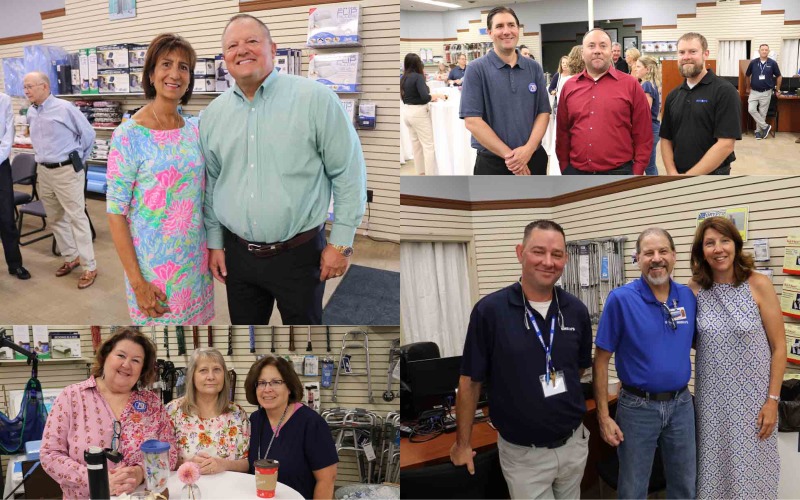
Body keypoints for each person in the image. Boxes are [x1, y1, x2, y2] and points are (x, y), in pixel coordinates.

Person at [201, 14, 367, 325]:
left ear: (273, 48)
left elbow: (348, 172)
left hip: (300, 256)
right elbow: (211, 183)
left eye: (252, 41)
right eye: (232, 45)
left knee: (306, 340)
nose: (242, 50)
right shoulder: (213, 115)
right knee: (247, 338)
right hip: (238, 256)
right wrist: (215, 242)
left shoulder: (315, 99)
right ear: (225, 58)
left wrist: (341, 242)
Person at [450, 220, 593, 498]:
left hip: (574, 445)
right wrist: (462, 444)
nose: (548, 262)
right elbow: (470, 382)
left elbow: (579, 369)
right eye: (538, 251)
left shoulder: (575, 310)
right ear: (520, 253)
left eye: (557, 254)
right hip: (524, 456)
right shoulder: (490, 311)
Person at [107, 33, 214, 325]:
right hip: (154, 267)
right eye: (166, 64)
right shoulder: (129, 135)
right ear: (151, 74)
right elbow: (116, 213)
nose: (175, 73)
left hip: (195, 260)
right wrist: (138, 282)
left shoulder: (194, 129)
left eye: (184, 67)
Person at [593, 228, 697, 499]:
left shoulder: (687, 297)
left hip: (682, 405)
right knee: (632, 489)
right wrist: (603, 417)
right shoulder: (621, 299)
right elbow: (601, 362)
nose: (656, 258)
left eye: (663, 251)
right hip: (637, 408)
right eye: (648, 252)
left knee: (685, 485)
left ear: (674, 256)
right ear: (636, 258)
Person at [689, 217, 786, 499]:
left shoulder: (759, 284)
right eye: (710, 243)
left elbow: (779, 348)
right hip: (711, 405)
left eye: (725, 240)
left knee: (753, 479)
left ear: (736, 245)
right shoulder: (693, 290)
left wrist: (773, 401)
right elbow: (687, 340)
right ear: (701, 250)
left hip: (754, 405)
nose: (718, 249)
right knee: (713, 477)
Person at [40, 328, 178, 498]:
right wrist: (95, 478)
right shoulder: (71, 397)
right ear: (105, 356)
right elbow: (50, 454)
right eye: (120, 355)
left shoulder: (152, 403)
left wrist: (141, 472)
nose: (126, 365)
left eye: (136, 360)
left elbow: (170, 453)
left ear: (142, 369)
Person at [23, 71, 97, 288]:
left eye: (30, 86)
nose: (26, 91)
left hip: (66, 170)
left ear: (44, 87)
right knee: (55, 217)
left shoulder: (64, 108)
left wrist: (76, 162)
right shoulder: (31, 111)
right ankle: (71, 256)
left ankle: (89, 266)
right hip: (44, 171)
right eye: (25, 87)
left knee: (77, 218)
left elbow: (88, 135)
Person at [460, 6, 550, 175]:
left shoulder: (534, 68)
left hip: (533, 158)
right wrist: (513, 159)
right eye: (499, 26)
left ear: (518, 29)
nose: (506, 31)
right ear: (489, 32)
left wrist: (528, 150)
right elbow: (472, 121)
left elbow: (543, 112)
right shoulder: (476, 69)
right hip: (493, 164)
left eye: (511, 25)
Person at [556, 29, 652, 175]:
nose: (597, 51)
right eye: (591, 46)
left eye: (603, 46)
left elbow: (643, 133)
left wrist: (637, 172)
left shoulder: (631, 85)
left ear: (611, 52)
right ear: (582, 53)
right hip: (577, 173)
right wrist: (565, 168)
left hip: (620, 173)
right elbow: (562, 133)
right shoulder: (569, 87)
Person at [246, 356, 338, 499]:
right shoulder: (255, 420)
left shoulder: (312, 423)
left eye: (276, 382)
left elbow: (327, 479)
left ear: (289, 387)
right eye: (261, 383)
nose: (267, 389)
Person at [660, 32, 741, 175]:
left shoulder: (725, 91)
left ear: (705, 54)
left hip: (714, 175)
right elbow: (666, 138)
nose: (686, 57)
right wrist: (672, 173)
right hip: (678, 174)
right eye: (681, 52)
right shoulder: (673, 95)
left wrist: (689, 177)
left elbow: (726, 144)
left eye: (693, 51)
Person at [167, 348, 250, 473]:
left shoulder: (238, 414)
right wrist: (186, 464)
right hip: (185, 490)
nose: (211, 377)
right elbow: (160, 461)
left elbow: (247, 463)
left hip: (228, 490)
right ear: (192, 376)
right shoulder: (172, 412)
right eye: (203, 370)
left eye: (217, 370)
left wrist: (225, 464)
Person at [0, 92, 30, 280]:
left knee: (6, 217)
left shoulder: (3, 99)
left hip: (0, 163)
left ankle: (15, 264)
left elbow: (7, 134)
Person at [401, 53, 441, 176]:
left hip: (407, 112)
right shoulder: (418, 77)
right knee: (428, 146)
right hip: (419, 113)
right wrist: (434, 96)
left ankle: (421, 173)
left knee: (416, 146)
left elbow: (405, 98)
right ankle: (430, 175)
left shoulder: (404, 78)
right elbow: (424, 97)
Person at [745, 44, 782, 140]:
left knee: (762, 113)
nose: (764, 51)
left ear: (768, 51)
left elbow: (779, 76)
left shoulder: (773, 63)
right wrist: (748, 88)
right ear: (759, 51)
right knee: (751, 109)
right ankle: (766, 126)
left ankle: (758, 132)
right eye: (762, 50)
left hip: (766, 92)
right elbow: (747, 75)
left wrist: (777, 89)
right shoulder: (753, 62)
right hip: (754, 92)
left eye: (766, 50)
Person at [633, 56, 662, 175]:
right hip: (653, 128)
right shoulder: (653, 84)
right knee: (650, 164)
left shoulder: (647, 85)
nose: (636, 69)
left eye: (639, 66)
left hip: (649, 129)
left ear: (648, 69)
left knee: (648, 165)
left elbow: (645, 111)